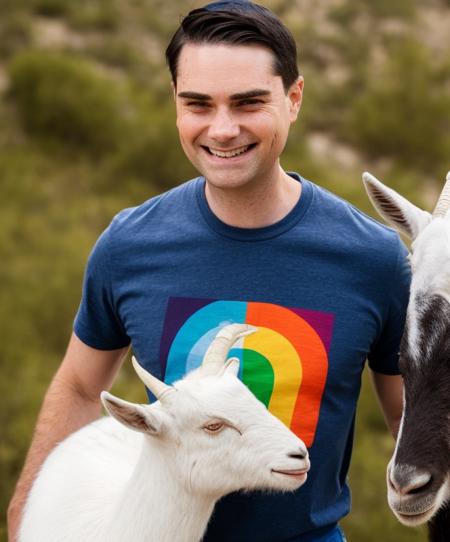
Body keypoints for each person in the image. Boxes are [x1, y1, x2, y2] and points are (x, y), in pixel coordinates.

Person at [8, 1, 409, 541]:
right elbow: (82, 387)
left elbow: (412, 416)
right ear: (175, 103)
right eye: (198, 104)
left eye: (248, 103)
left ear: (293, 100)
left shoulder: (375, 258)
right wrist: (27, 506)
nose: (222, 130)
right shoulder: (129, 244)